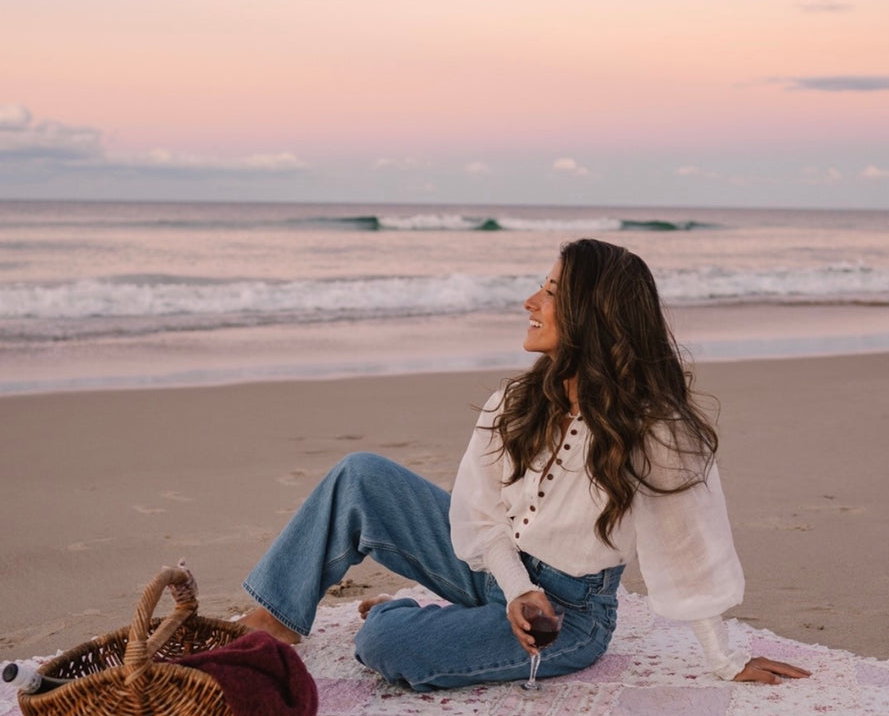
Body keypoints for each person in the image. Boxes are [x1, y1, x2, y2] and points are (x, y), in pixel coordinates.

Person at [240, 238, 809, 690]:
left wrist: (724, 659)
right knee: (360, 474)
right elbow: (481, 514)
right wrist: (514, 588)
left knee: (389, 647)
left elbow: (691, 548)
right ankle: (276, 620)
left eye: (552, 292)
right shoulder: (514, 402)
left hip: (568, 617)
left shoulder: (657, 429)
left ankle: (398, 612)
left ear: (594, 315)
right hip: (495, 566)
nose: (531, 302)